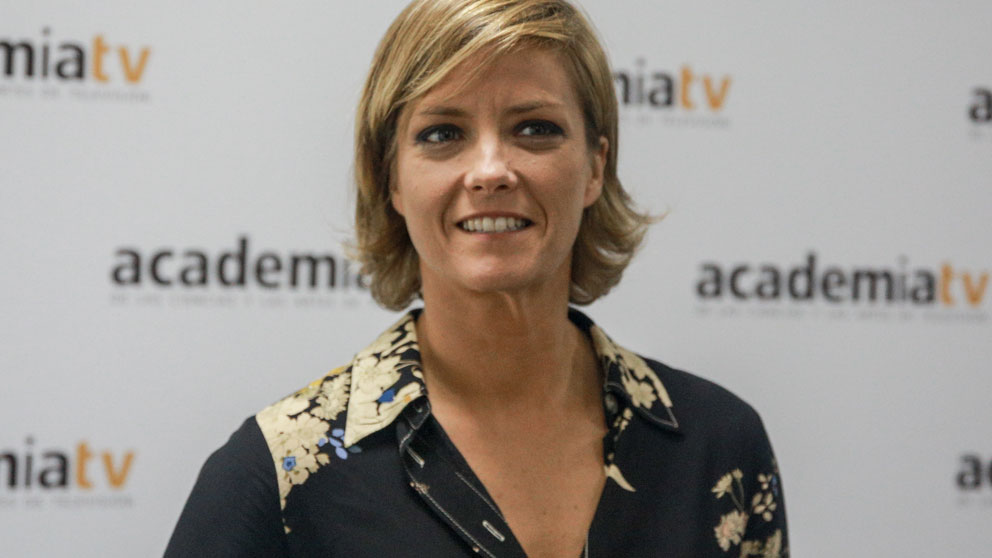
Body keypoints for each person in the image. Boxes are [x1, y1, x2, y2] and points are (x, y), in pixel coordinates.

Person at [165, 1, 788, 556]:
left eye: (535, 129)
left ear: (596, 166)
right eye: (443, 134)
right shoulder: (279, 473)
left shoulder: (718, 445)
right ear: (392, 180)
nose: (490, 170)